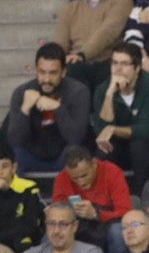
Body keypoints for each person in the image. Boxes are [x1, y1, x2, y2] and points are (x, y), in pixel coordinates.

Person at [7, 47, 90, 179]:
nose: (46, 79)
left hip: (63, 155)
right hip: (31, 154)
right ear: (36, 70)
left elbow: (76, 138)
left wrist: (58, 108)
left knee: (75, 152)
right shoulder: (22, 92)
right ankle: (19, 198)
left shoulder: (78, 92)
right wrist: (25, 109)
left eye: (53, 73)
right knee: (14, 156)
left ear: (63, 72)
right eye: (42, 72)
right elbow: (15, 140)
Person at [51, 152, 130, 253]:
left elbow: (124, 211)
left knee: (117, 231)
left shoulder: (112, 172)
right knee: (52, 233)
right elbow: (57, 212)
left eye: (84, 175)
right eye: (75, 178)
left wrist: (96, 214)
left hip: (107, 223)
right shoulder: (62, 177)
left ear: (94, 164)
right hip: (77, 224)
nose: (81, 182)